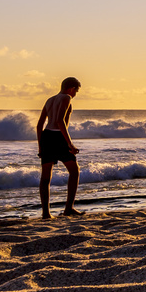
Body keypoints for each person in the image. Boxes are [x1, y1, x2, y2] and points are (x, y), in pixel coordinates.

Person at [36, 77, 83, 219]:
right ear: (71, 89)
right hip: (58, 137)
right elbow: (60, 121)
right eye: (76, 91)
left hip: (46, 137)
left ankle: (46, 213)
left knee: (45, 177)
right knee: (74, 172)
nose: (75, 95)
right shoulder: (66, 97)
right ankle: (69, 208)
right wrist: (70, 143)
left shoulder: (49, 100)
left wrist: (40, 146)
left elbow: (39, 125)